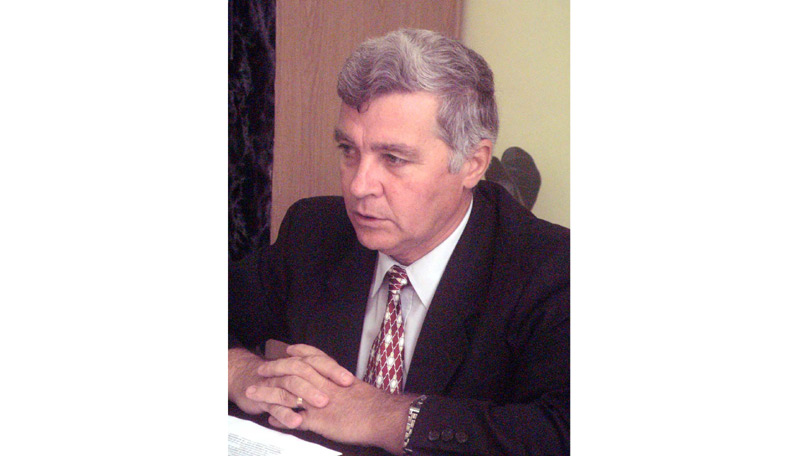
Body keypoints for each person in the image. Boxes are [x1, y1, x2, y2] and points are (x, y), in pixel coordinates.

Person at [229, 28, 569, 455]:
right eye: (348, 150)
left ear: (473, 163)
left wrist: (380, 414)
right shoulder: (315, 231)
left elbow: (563, 432)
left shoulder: (551, 269)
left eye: (393, 158)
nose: (359, 185)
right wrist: (239, 372)